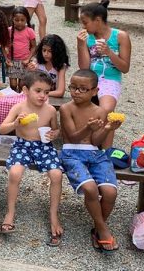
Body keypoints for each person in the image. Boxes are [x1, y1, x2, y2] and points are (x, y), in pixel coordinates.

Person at [59, 69, 123, 254]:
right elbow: (71, 137)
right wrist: (88, 127)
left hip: (95, 154)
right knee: (90, 188)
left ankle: (97, 227)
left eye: (83, 89)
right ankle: (102, 229)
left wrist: (108, 128)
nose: (76, 92)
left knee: (110, 192)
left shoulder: (100, 111)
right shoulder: (66, 109)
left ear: (95, 91)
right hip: (72, 153)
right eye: (73, 88)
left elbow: (96, 142)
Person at [0, 70, 63, 245]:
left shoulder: (50, 110)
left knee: (56, 174)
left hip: (43, 146)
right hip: (22, 145)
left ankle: (53, 215)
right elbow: (2, 129)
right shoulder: (19, 108)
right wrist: (15, 123)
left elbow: (56, 130)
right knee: (15, 173)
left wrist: (54, 134)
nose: (43, 96)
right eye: (38, 91)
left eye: (47, 92)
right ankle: (10, 212)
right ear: (25, 90)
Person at [77, 0, 131, 149]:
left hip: (110, 79)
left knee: (106, 110)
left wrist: (109, 52)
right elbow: (84, 67)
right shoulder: (87, 38)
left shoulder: (120, 36)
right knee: (75, 105)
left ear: (98, 20)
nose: (83, 26)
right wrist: (81, 45)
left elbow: (125, 68)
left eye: (85, 22)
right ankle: (86, 143)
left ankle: (105, 150)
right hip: (90, 78)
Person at [7, 6, 37, 91]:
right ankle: (13, 101)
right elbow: (4, 45)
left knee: (22, 85)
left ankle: (21, 102)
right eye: (16, 20)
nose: (19, 22)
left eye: (22, 20)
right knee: (13, 85)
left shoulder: (29, 31)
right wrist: (6, 58)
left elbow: (34, 46)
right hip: (12, 62)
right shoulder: (9, 31)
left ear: (27, 19)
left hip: (25, 62)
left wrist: (28, 59)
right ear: (12, 19)